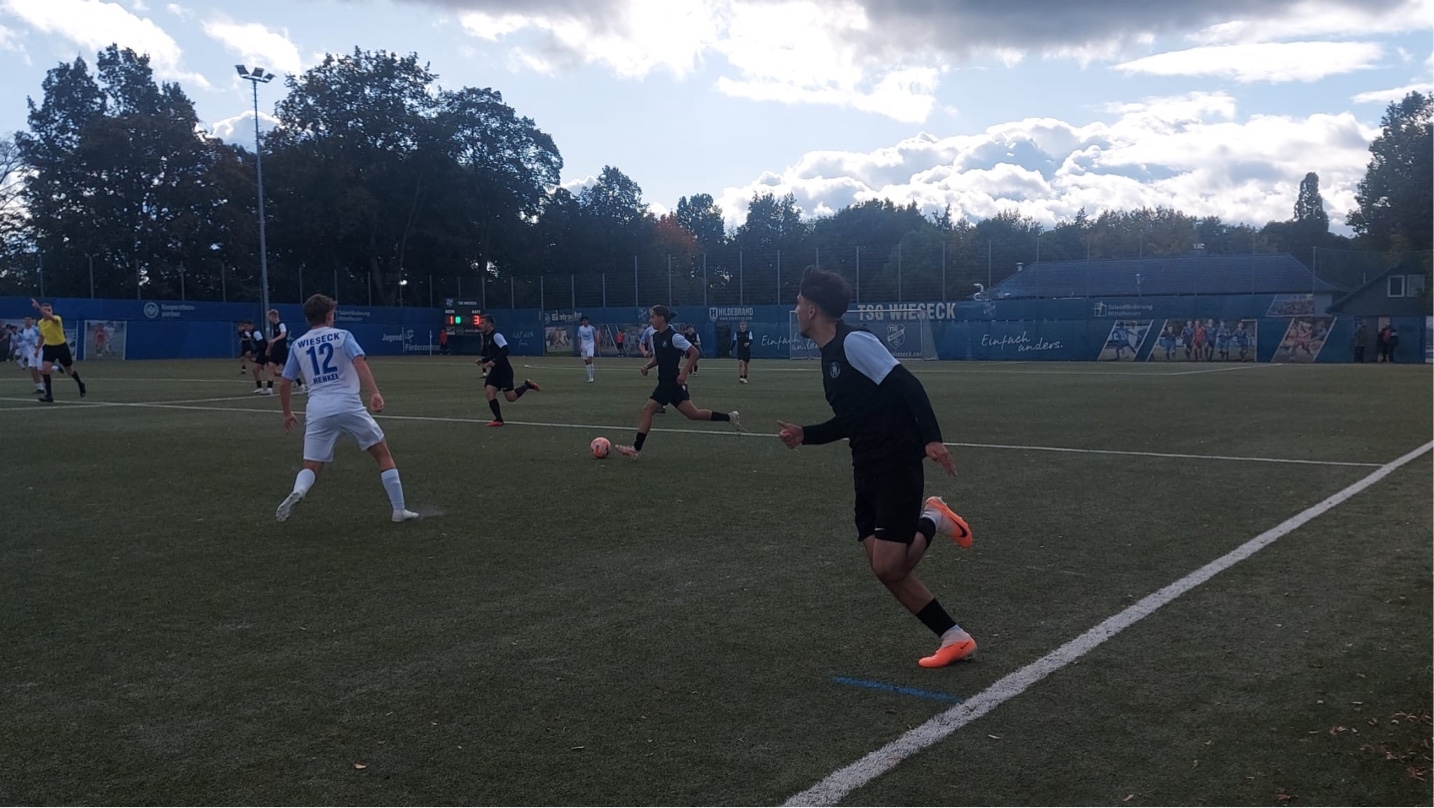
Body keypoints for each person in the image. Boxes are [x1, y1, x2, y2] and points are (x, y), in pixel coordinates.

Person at [775, 270, 976, 669]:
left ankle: (934, 517)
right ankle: (955, 637)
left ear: (812, 310)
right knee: (884, 569)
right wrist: (806, 434)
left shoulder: (854, 342)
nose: (795, 310)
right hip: (865, 466)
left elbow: (908, 385)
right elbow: (851, 419)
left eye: (798, 304)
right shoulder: (830, 355)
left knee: (888, 564)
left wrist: (931, 439)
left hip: (895, 462)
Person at [274, 294, 419, 523]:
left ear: (308, 318)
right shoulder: (343, 336)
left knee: (311, 465)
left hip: (317, 409)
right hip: (347, 404)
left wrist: (286, 413)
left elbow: (284, 383)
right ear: (329, 316)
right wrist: (374, 393)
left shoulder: (298, 345)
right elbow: (359, 363)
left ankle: (299, 490)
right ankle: (399, 510)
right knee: (382, 454)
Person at [614, 305, 741, 459]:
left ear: (662, 318)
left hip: (669, 383)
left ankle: (635, 449)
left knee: (648, 410)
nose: (650, 320)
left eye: (653, 317)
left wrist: (684, 372)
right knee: (693, 414)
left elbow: (694, 353)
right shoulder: (656, 337)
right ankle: (729, 417)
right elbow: (658, 358)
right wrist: (647, 366)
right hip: (671, 384)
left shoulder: (674, 337)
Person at [476, 314, 540, 426]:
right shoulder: (486, 337)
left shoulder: (496, 336)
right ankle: (498, 419)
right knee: (489, 392)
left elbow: (505, 350)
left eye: (482, 323)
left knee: (511, 398)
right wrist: (484, 360)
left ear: (489, 324)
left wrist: (494, 361)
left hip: (504, 371)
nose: (480, 325)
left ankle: (527, 385)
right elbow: (493, 354)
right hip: (495, 372)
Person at [30, 299, 86, 402]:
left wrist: (39, 308)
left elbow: (50, 317)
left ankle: (80, 383)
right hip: (49, 347)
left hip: (61, 347)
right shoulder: (41, 323)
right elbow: (42, 336)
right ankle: (49, 395)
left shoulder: (56, 319)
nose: (48, 312)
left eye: (49, 310)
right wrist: (37, 349)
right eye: (46, 310)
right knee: (45, 370)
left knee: (69, 371)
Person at [264, 309, 291, 395]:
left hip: (281, 349)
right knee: (271, 368)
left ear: (273, 316)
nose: (269, 319)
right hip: (275, 349)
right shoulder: (274, 327)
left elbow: (283, 334)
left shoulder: (281, 325)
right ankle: (269, 389)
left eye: (269, 317)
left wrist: (275, 340)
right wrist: (268, 349)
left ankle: (299, 384)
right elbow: (271, 339)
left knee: (289, 368)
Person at [16, 317, 45, 394]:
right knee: (33, 370)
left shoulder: (36, 329)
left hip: (40, 351)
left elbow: (43, 337)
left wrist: (38, 346)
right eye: (26, 320)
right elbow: (26, 342)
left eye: (29, 320)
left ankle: (55, 367)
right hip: (31, 352)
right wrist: (19, 344)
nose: (27, 322)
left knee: (40, 370)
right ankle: (40, 388)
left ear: (32, 321)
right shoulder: (24, 331)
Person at [577, 315, 597, 383]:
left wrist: (596, 344)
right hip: (583, 346)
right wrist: (579, 346)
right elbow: (579, 337)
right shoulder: (580, 328)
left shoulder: (592, 328)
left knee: (589, 359)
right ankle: (589, 377)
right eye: (583, 321)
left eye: (585, 320)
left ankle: (591, 377)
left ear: (587, 321)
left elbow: (595, 336)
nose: (584, 322)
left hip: (590, 345)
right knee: (586, 361)